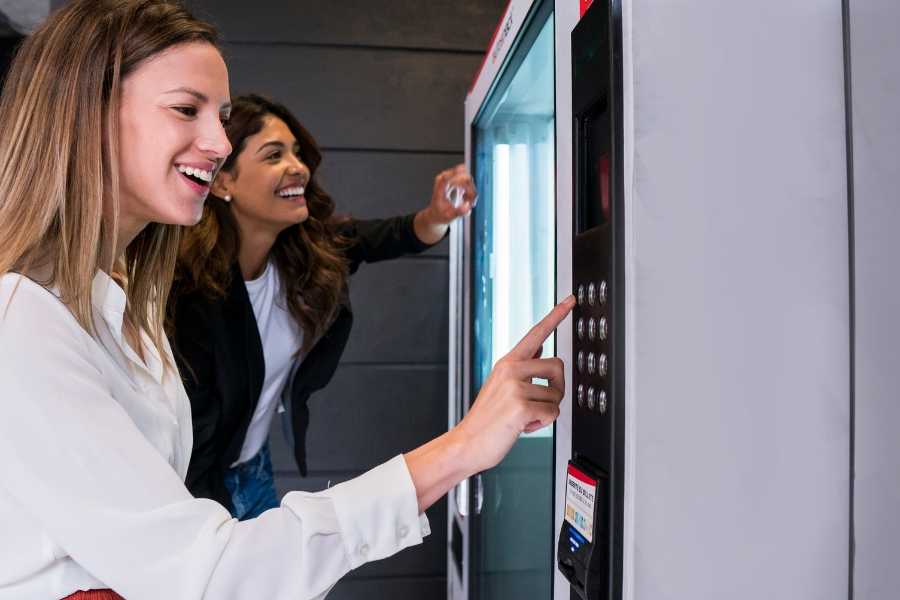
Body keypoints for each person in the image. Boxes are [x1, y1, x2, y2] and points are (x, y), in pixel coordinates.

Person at [0, 1, 573, 599]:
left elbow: (378, 237)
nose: (218, 142)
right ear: (86, 116)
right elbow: (211, 573)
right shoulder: (28, 321)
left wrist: (437, 217)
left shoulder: (127, 301)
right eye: (185, 110)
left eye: (221, 118)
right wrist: (461, 447)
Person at [167, 94, 475, 519]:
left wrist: (439, 214)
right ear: (223, 182)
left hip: (253, 469)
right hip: (194, 487)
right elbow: (190, 432)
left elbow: (389, 236)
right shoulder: (190, 293)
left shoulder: (304, 255)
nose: (298, 167)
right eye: (274, 155)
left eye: (296, 153)